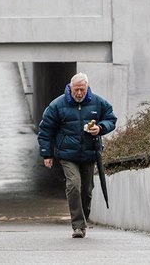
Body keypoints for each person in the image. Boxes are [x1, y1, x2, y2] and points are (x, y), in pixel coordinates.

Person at [37, 72, 117, 238]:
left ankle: (83, 220)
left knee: (87, 190)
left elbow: (111, 118)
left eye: (82, 89)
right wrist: (47, 154)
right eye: (76, 90)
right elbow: (45, 130)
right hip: (67, 154)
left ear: (87, 88)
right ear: (70, 88)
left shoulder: (98, 102)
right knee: (73, 184)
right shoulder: (57, 105)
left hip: (90, 153)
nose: (79, 93)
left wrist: (101, 128)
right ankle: (78, 226)